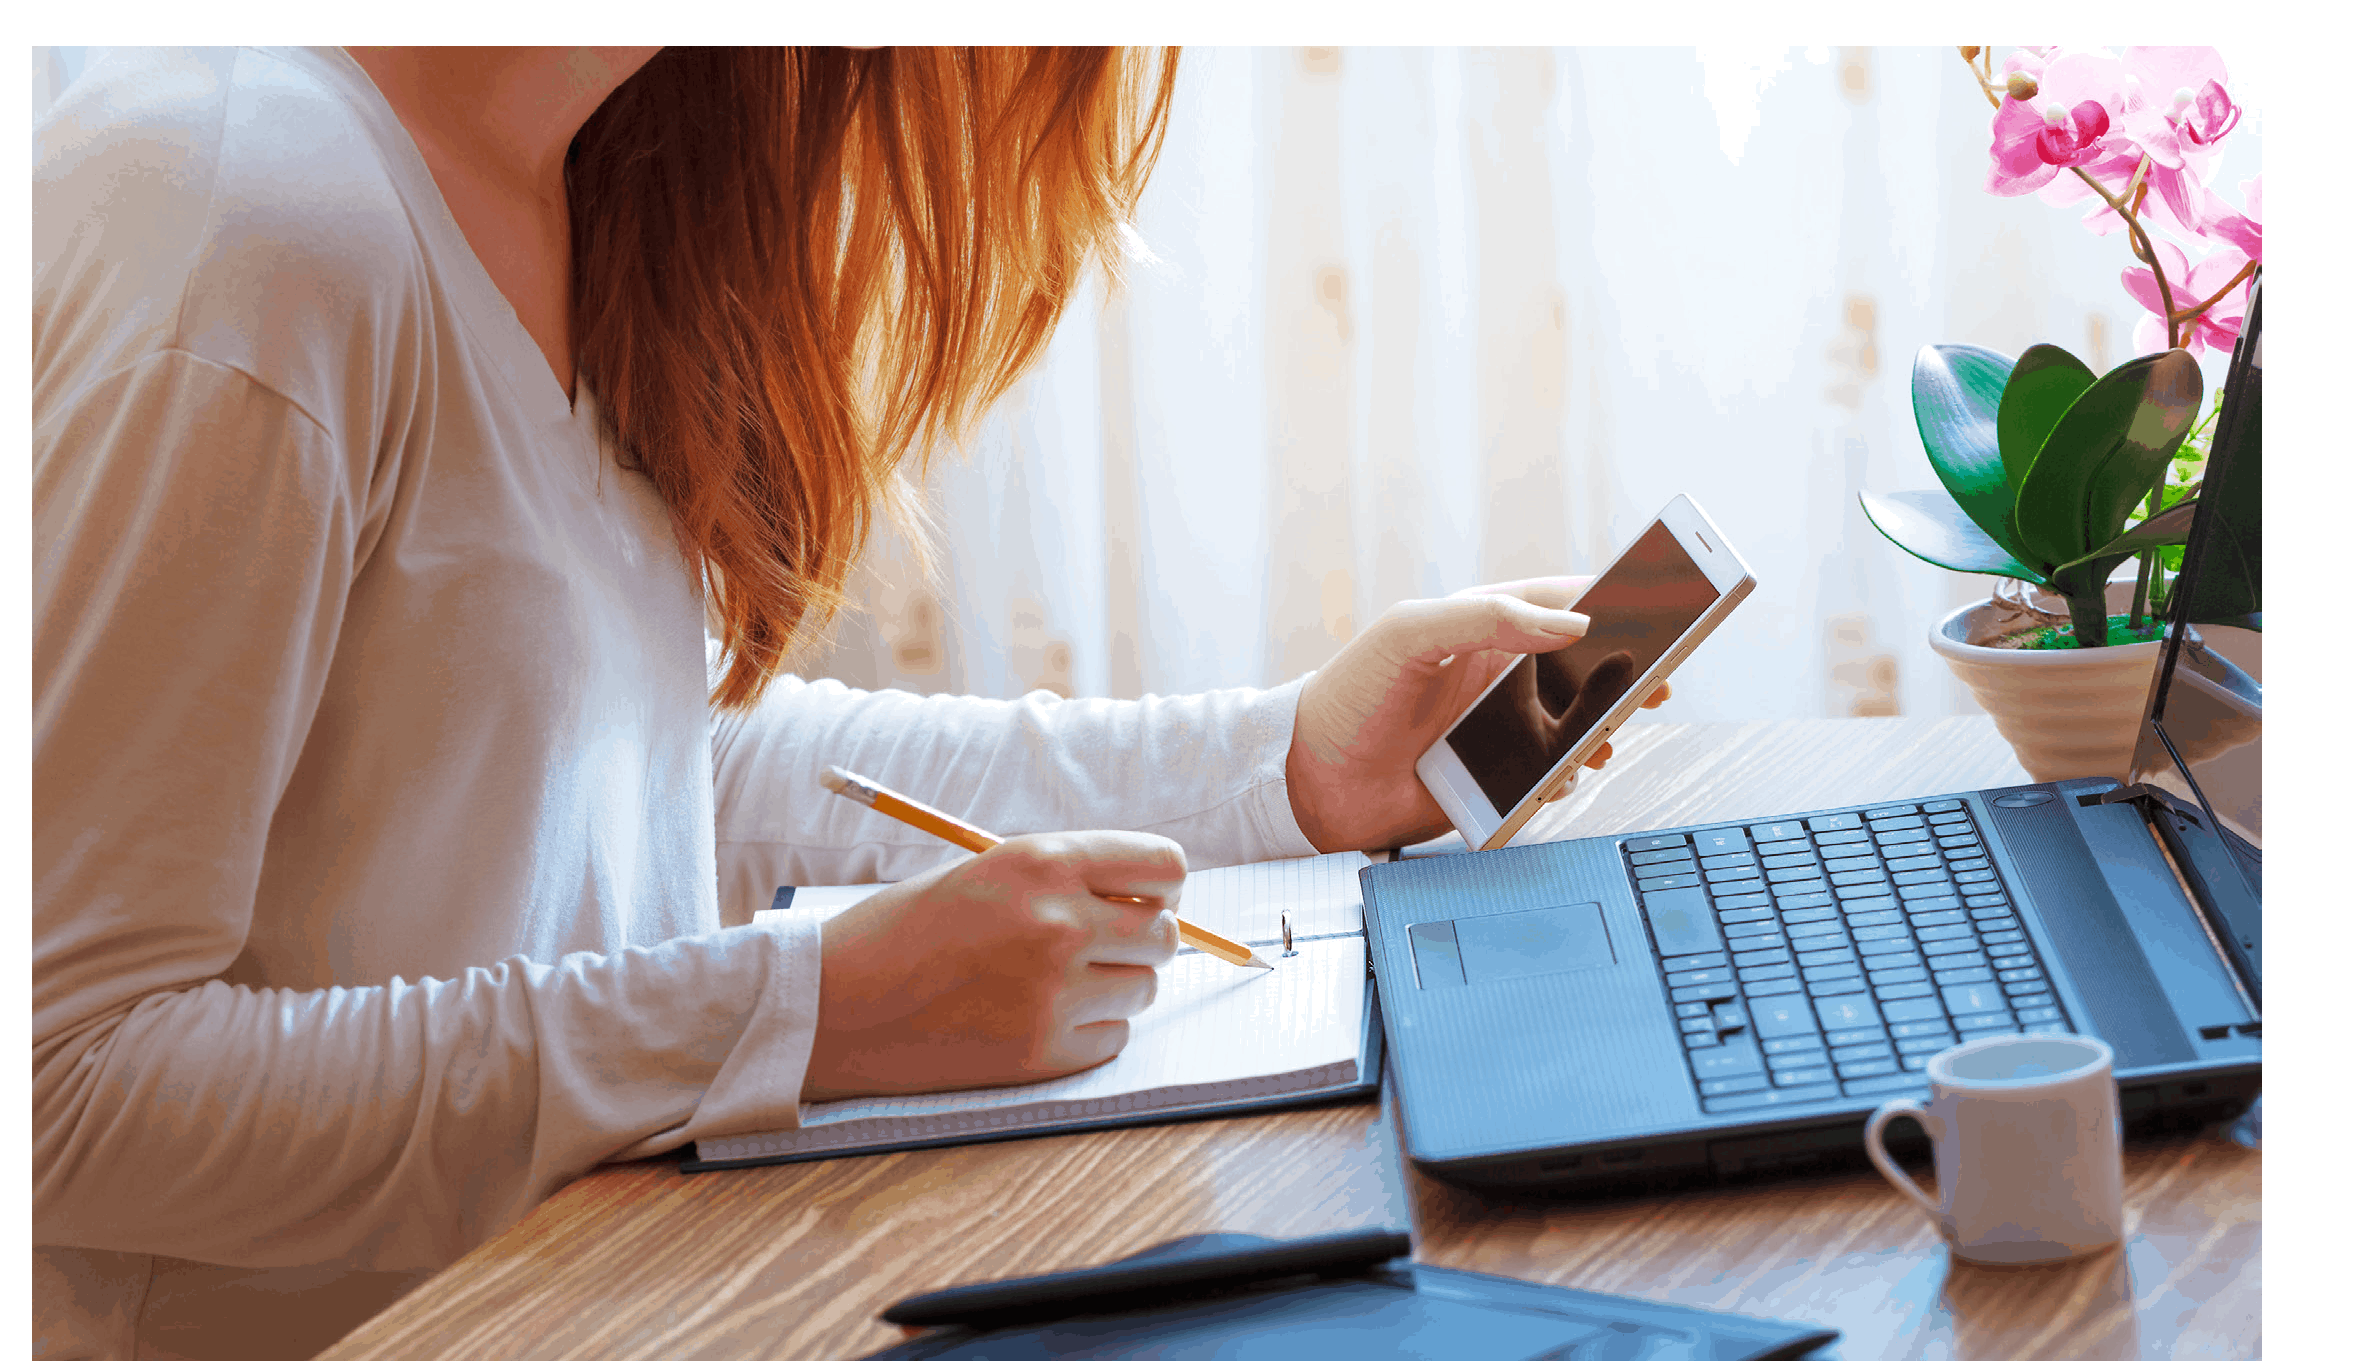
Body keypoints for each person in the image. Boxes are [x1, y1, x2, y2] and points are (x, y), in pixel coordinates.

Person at [31, 47, 1659, 1359]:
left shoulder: (573, 176)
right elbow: (61, 1092)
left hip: (626, 1283)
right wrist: (808, 1010)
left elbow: (641, 758)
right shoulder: (235, 217)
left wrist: (1281, 770)